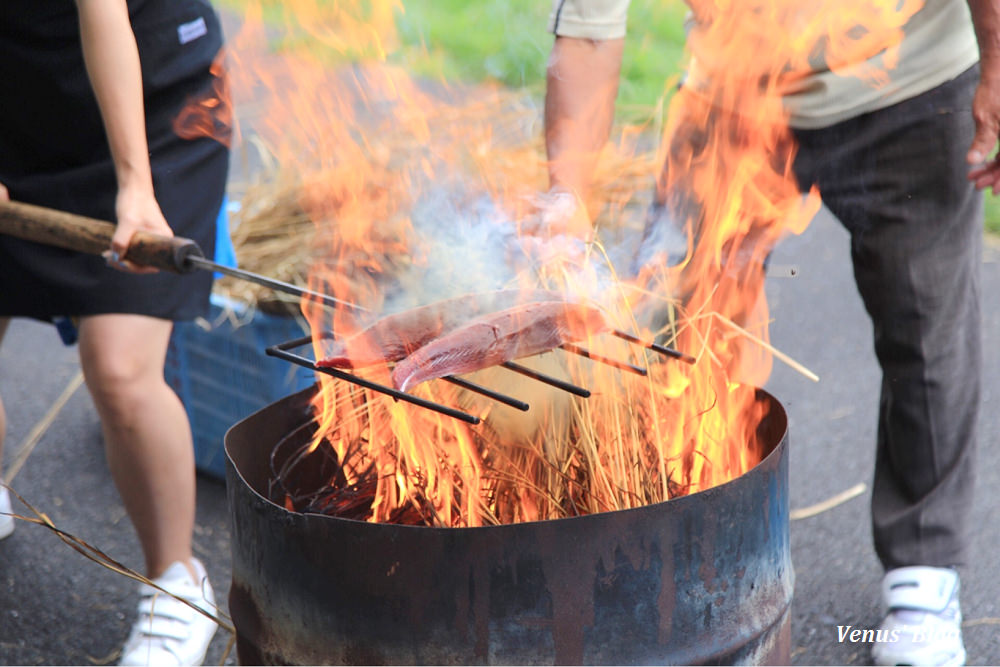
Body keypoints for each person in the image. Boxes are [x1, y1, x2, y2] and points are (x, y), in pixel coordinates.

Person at [543, 0, 1000, 665]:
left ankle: (924, 572)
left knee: (927, 333)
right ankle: (664, 537)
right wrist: (564, 202)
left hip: (911, 83)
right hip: (733, 95)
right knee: (675, 322)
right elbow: (586, 31)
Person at [0, 0, 230, 664]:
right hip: (19, 107)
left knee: (121, 369)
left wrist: (135, 186)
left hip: (154, 108)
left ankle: (179, 585)